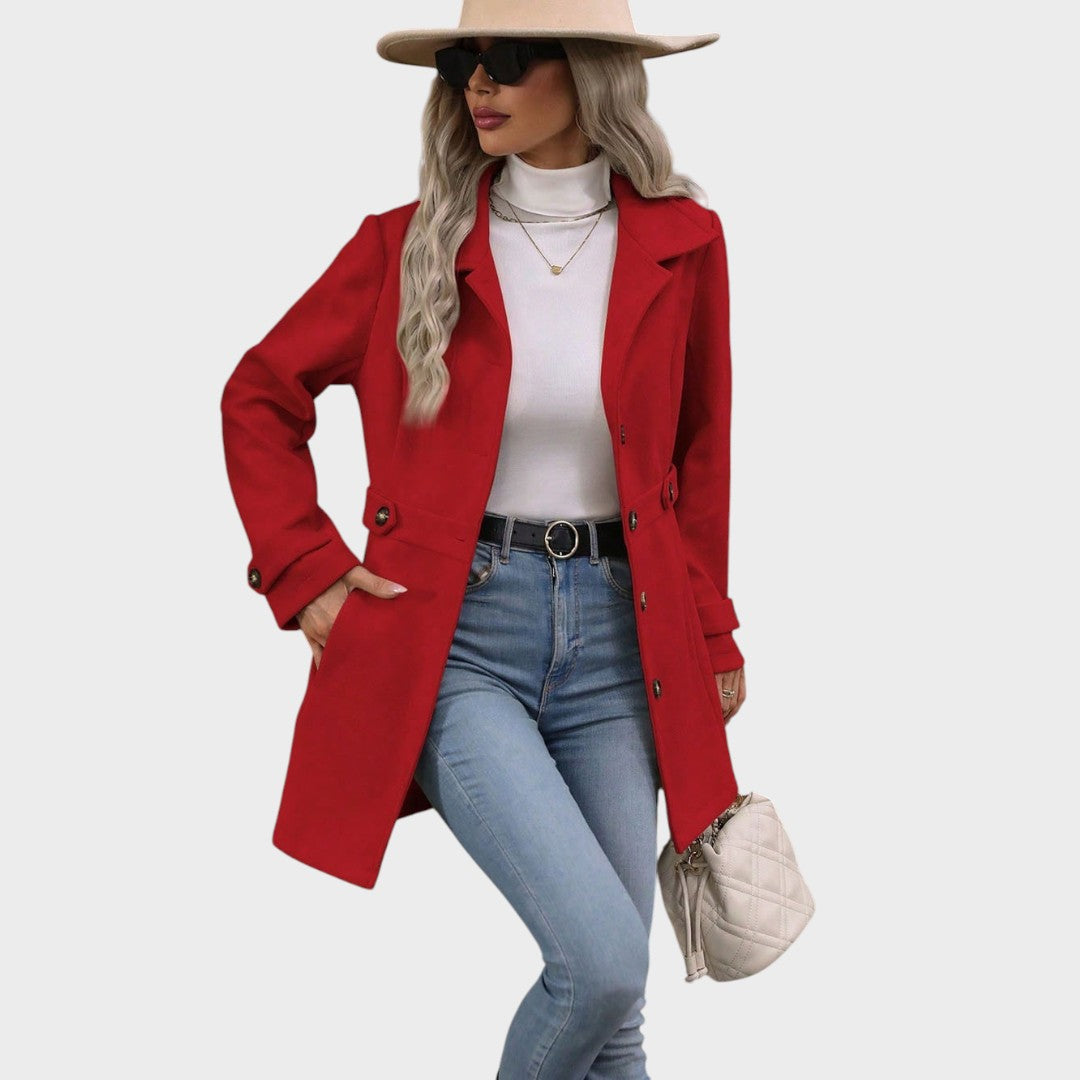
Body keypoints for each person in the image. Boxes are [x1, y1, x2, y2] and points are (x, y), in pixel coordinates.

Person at [222, 3, 747, 1077]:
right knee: (600, 963)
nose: (478, 83)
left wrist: (713, 632)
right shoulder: (404, 246)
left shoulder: (683, 242)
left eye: (507, 58)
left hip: (623, 642)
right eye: (464, 60)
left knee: (618, 1014)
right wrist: (309, 574)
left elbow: (701, 457)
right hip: (457, 639)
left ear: (591, 73)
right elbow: (259, 395)